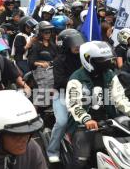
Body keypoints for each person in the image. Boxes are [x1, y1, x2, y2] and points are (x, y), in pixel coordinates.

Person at [66, 41, 130, 169]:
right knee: (80, 161)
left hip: (110, 122)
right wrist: (86, 119)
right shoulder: (76, 79)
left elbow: (120, 99)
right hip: (82, 126)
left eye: (108, 60)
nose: (106, 64)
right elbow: (74, 105)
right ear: (88, 60)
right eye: (102, 61)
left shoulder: (110, 75)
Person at [47, 29, 85, 163]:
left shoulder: (85, 58)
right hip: (62, 94)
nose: (77, 46)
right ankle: (52, 150)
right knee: (62, 122)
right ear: (65, 44)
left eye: (79, 43)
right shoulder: (59, 61)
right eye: (73, 43)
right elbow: (59, 82)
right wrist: (77, 82)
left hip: (84, 94)